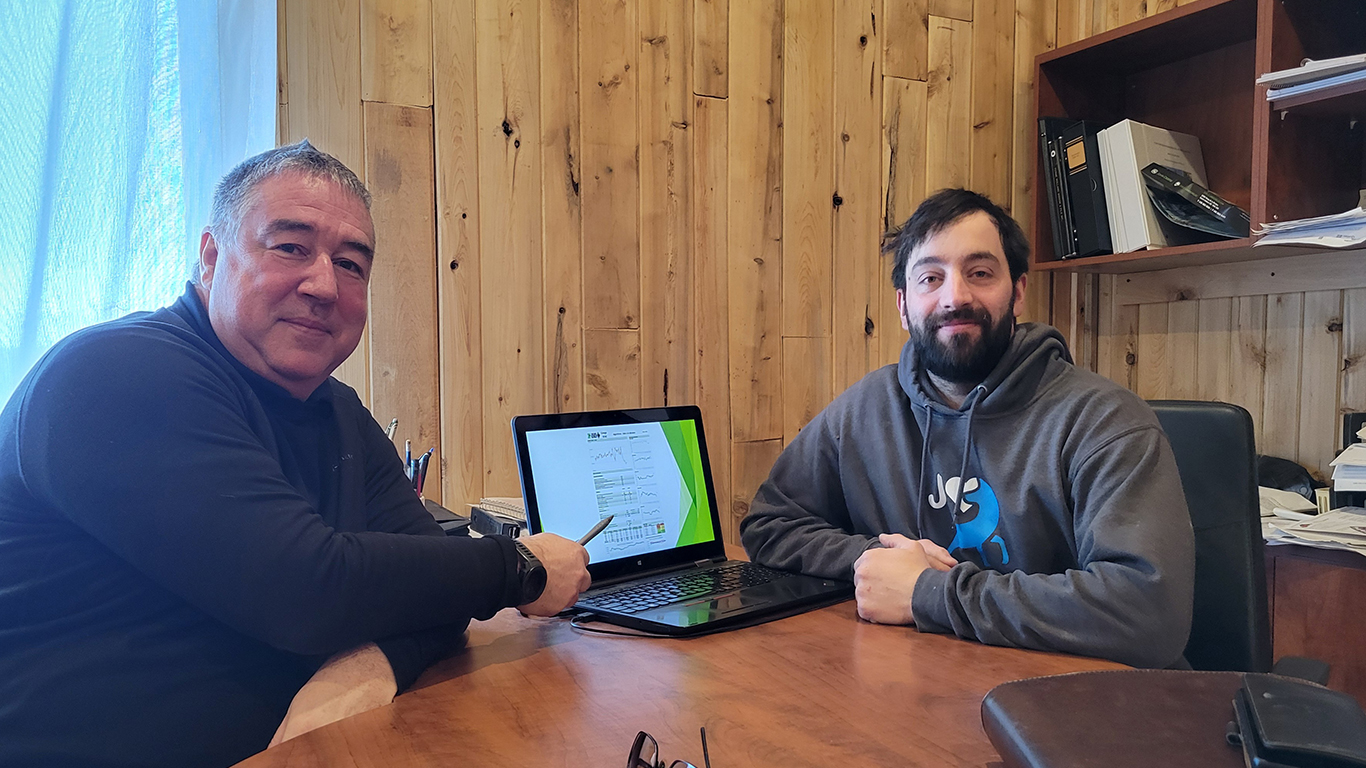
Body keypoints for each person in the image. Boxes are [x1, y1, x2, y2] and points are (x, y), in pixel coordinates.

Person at [0, 140, 590, 768]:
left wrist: (367, 669)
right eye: (290, 247)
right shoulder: (114, 375)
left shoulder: (335, 410)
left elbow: (433, 584)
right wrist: (519, 566)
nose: (323, 285)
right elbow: (305, 588)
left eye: (352, 265)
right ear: (210, 256)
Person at [740, 188, 1195, 669]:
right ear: (903, 305)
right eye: (930, 278)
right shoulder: (862, 411)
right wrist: (875, 559)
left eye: (979, 273)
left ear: (1018, 291)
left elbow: (1149, 613)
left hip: (1074, 709)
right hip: (920, 688)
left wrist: (928, 593)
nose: (955, 297)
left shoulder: (1105, 420)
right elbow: (771, 526)